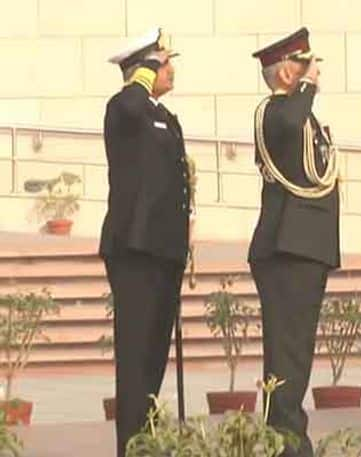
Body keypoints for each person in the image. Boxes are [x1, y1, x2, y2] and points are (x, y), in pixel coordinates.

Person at [248, 27, 340, 457]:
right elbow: (289, 121)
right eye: (305, 64)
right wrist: (307, 86)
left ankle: (284, 436)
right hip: (287, 247)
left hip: (306, 247)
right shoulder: (275, 111)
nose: (315, 70)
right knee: (287, 353)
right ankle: (286, 441)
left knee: (295, 353)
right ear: (287, 72)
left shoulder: (300, 116)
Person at [100, 28, 190, 457]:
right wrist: (142, 72)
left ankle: (147, 444)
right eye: (162, 63)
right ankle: (131, 448)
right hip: (134, 251)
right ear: (142, 70)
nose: (170, 69)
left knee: (154, 356)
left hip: (164, 251)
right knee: (135, 358)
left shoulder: (164, 116)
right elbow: (131, 105)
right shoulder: (124, 107)